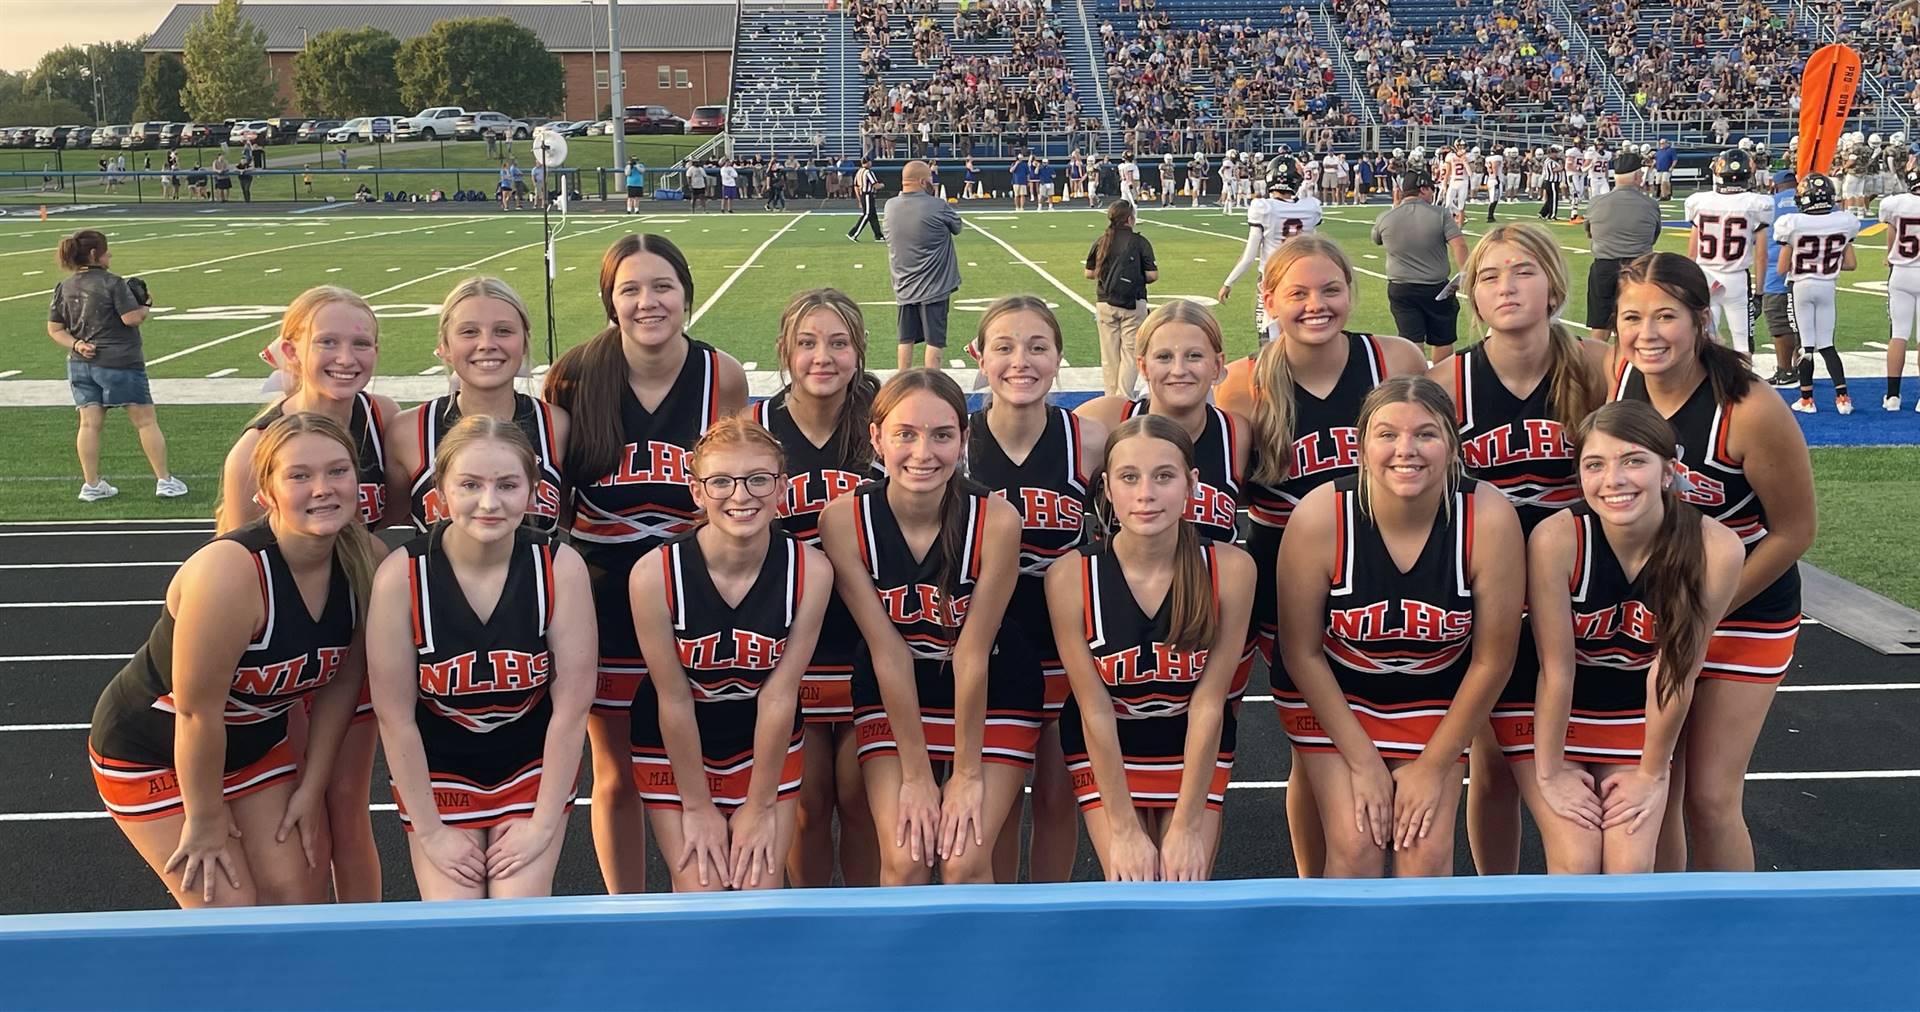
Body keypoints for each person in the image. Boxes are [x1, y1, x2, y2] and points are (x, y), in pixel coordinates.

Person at [89, 412, 378, 907]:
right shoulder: (230, 573)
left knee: (299, 889)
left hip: (254, 747)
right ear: (265, 493)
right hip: (153, 751)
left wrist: (312, 788)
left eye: (338, 471)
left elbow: (339, 688)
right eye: (299, 475)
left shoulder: (367, 561)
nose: (323, 488)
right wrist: (205, 819)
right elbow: (197, 713)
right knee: (228, 906)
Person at [1215, 235, 1426, 878]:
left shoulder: (1394, 359)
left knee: (1394, 734)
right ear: (1268, 299)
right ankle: (1317, 884)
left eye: (1331, 289)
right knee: (1314, 749)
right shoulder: (1243, 385)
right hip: (1289, 580)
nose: (1317, 305)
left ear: (1352, 291)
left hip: (1390, 567)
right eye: (1298, 293)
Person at [543, 234, 749, 893]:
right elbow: (557, 506)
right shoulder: (575, 376)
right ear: (610, 301)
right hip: (603, 603)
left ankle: (711, 894)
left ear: (686, 293)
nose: (647, 301)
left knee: (703, 759)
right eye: (629, 289)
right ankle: (624, 906)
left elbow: (738, 492)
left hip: (695, 598)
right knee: (617, 773)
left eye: (661, 286)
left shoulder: (723, 375)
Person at [1609, 251, 1815, 872]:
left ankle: (1737, 947)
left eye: (1665, 316)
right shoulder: (1618, 381)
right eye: (1632, 317)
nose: (1647, 334)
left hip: (1744, 614)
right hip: (1655, 611)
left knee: (1709, 797)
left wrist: (1708, 608)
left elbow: (1796, 531)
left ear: (1701, 319)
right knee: (1657, 792)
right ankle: (1667, 926)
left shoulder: (1748, 408)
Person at [1275, 376, 1525, 877]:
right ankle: (1340, 955)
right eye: (1387, 434)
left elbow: (1493, 659)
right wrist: (1365, 764)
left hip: (1434, 701)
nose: (1405, 450)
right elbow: (1301, 652)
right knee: (1356, 846)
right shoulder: (1322, 515)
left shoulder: (1488, 517)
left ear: (1453, 445)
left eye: (1426, 434)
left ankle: (1424, 958)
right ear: (1361, 444)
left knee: (1425, 855)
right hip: (1336, 699)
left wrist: (1434, 767)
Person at [1432, 222, 1608, 875]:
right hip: (1489, 599)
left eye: (1523, 270)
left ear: (1554, 284)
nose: (1507, 286)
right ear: (1473, 296)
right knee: (1494, 765)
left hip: (1586, 596)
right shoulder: (1447, 382)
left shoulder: (1596, 368)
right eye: (1489, 275)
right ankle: (1493, 898)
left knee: (1602, 757)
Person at [816, 370, 1037, 885]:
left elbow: (972, 653)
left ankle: (979, 967)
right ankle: (904, 967)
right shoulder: (843, 520)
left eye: (942, 435)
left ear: (963, 439)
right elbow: (886, 652)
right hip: (895, 686)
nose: (923, 452)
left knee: (963, 860)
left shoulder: (997, 520)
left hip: (993, 686)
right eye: (905, 434)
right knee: (906, 856)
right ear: (876, 439)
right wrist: (917, 777)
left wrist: (965, 775)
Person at [1507, 401, 1743, 874]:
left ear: (1667, 473)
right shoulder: (1557, 538)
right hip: (1547, 710)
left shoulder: (1716, 549)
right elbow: (1557, 668)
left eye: (1633, 461)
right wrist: (1550, 771)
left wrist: (1652, 774)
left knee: (1630, 864)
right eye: (1595, 465)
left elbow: (1675, 670)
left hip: (1636, 708)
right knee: (1576, 858)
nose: (1613, 479)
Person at [366, 417, 595, 899]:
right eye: (470, 484)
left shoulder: (559, 567)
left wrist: (542, 824)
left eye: (508, 485)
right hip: (439, 774)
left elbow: (572, 712)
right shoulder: (401, 576)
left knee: (517, 922)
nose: (489, 503)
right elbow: (395, 718)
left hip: (531, 772)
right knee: (457, 926)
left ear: (534, 491)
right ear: (441, 492)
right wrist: (430, 832)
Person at [220, 286, 396, 903]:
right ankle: (313, 931)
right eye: (328, 341)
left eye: (361, 343)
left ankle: (363, 938)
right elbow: (230, 560)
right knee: (300, 806)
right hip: (283, 652)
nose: (345, 357)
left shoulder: (383, 419)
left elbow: (401, 524)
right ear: (291, 351)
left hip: (350, 640)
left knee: (348, 802)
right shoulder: (256, 447)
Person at [629, 418, 833, 891]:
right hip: (676, 743)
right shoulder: (654, 575)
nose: (740, 496)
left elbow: (780, 696)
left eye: (758, 479)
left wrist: (760, 807)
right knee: (700, 893)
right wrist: (696, 808)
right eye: (721, 481)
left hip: (761, 742)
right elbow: (674, 700)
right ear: (697, 491)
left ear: (782, 487)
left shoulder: (811, 571)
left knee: (759, 892)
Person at [1047, 415, 1254, 881]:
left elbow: (1209, 703)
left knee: (1184, 888)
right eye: (1129, 477)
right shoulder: (1070, 578)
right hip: (1107, 744)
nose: (1146, 494)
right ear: (1106, 489)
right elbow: (1094, 707)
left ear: (1192, 485)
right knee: (1133, 887)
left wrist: (1185, 825)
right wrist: (1122, 829)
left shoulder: (1233, 571)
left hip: (1192, 744)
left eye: (1164, 476)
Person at [968, 296, 1107, 883]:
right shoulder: (954, 442)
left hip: (1067, 645)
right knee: (991, 812)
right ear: (978, 356)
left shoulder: (1093, 440)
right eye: (1003, 347)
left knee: (1056, 798)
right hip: (986, 650)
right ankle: (996, 922)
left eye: (1037, 347)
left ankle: (1047, 921)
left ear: (1058, 359)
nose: (1020, 361)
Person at [754, 289, 883, 888]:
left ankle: (864, 932)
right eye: (807, 343)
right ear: (785, 349)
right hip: (786, 644)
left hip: (872, 637)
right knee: (805, 805)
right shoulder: (755, 430)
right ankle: (809, 928)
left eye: (838, 343)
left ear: (859, 350)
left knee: (861, 803)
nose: (822, 357)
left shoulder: (888, 422)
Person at [387, 277, 568, 536]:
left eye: (503, 331)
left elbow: (573, 516)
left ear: (524, 343)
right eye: (469, 332)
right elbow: (387, 520)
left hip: (542, 576)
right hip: (437, 577)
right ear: (445, 347)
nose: (487, 344)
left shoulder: (557, 425)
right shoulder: (408, 431)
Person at [1078, 301, 1246, 549]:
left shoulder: (1236, 433)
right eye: (1164, 357)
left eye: (1194, 356)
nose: (1178, 370)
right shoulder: (1108, 419)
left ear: (1217, 366)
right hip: (1115, 585)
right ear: (1144, 366)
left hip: (1210, 584)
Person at [46, 230, 187, 503]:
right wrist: (145, 305)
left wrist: (76, 344)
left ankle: (91, 484)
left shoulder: (65, 286)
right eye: (107, 250)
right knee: (145, 422)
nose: (110, 255)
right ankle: (164, 480)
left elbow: (54, 329)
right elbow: (131, 318)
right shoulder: (112, 283)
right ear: (94, 254)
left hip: (80, 364)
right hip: (120, 361)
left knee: (88, 425)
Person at [1773, 173, 1861, 414]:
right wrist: (1826, 261)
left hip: (1801, 286)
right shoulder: (1844, 222)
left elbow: (1782, 268)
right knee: (1827, 345)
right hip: (1827, 286)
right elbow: (1851, 264)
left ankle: (1807, 399)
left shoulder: (1792, 223)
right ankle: (1843, 398)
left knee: (1806, 347)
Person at [1684, 150, 1775, 357]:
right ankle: (1744, 388)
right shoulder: (1757, 203)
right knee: (1742, 343)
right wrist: (1759, 293)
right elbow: (1761, 256)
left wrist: (1691, 282)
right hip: (1737, 279)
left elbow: (1692, 252)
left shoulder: (1700, 202)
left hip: (1706, 276)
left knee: (1705, 340)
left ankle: (1706, 387)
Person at [1372, 168, 1470, 362]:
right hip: (1436, 287)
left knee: (1410, 339)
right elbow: (1459, 245)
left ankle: (1414, 383)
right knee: (1442, 339)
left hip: (1400, 287)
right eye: (1431, 189)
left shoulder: (1386, 217)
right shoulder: (1440, 214)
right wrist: (1465, 274)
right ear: (1423, 189)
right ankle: (1439, 382)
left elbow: (1376, 239)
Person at [1219, 174, 1323, 345]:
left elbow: (1249, 256)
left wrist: (1228, 283)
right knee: (1300, 332)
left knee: (1268, 337)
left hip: (1272, 279)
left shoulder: (1264, 207)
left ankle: (1272, 369)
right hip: (1302, 278)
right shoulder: (1310, 207)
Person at [884, 160, 963, 372]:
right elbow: (957, 226)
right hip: (934, 287)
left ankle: (902, 379)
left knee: (905, 339)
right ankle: (933, 384)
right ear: (922, 181)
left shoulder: (889, 206)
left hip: (903, 285)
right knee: (935, 341)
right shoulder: (937, 205)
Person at [1584, 152, 1663, 342]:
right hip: (1638, 268)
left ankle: (1595, 368)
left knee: (1599, 324)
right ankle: (1630, 367)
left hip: (1603, 266)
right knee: (1634, 322)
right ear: (1637, 176)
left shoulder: (1597, 203)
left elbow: (1590, 232)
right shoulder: (1650, 204)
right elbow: (1654, 237)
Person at [1084, 200, 1159, 398]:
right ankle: (1123, 397)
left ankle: (1110, 397)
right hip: (1133, 302)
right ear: (1129, 218)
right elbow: (1152, 275)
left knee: (1109, 356)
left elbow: (1088, 273)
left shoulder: (1102, 241)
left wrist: (1108, 276)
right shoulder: (1139, 242)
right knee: (1130, 353)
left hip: (1105, 301)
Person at [1881, 167, 1920, 409]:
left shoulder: (1895, 204)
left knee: (1898, 334)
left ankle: (1893, 396)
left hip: (1902, 273)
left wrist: (1889, 256)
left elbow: (1891, 234)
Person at [847, 159, 884, 241]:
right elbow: (875, 185)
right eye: (870, 162)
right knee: (867, 215)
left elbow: (856, 186)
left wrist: (859, 199)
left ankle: (878, 235)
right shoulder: (868, 172)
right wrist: (882, 185)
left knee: (873, 216)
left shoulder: (859, 172)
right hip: (868, 195)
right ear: (867, 162)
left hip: (863, 195)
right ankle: (853, 233)